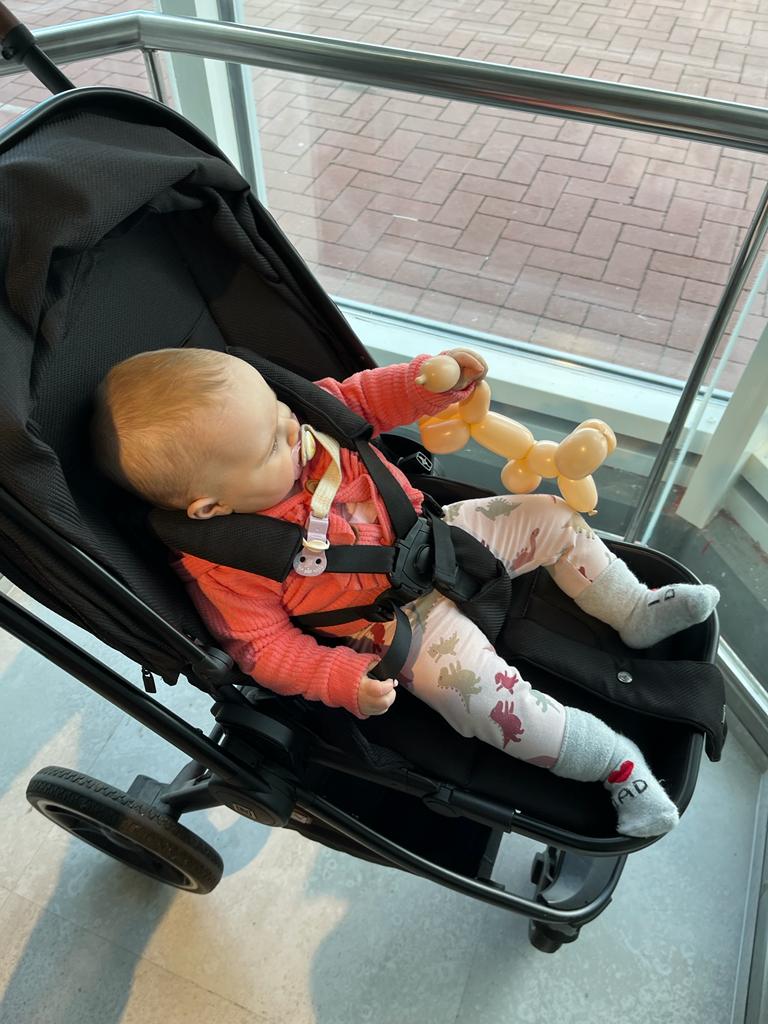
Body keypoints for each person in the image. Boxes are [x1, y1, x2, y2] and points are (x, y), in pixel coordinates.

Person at [91, 346, 720, 838]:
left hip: (441, 536)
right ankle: (617, 764)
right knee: (496, 707)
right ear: (210, 507)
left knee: (553, 517)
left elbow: (362, 399)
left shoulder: (302, 424)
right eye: (273, 443)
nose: (294, 430)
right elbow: (262, 649)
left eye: (281, 411)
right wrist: (339, 678)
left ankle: (632, 610)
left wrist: (427, 384)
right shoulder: (225, 565)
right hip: (398, 626)